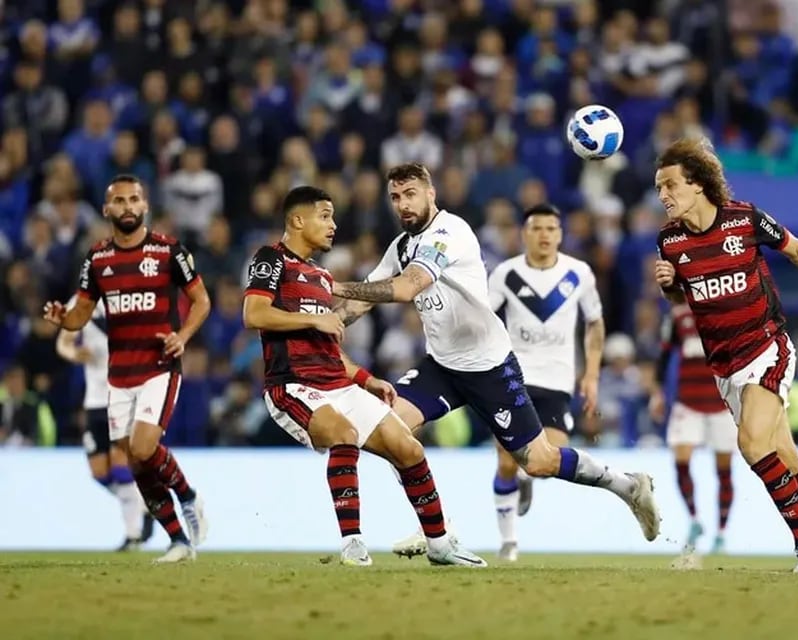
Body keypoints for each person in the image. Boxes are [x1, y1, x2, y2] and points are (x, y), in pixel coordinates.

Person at [328, 163, 660, 558]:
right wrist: (322, 318)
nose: (403, 204)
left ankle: (627, 485)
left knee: (539, 462)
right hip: (442, 366)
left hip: (489, 368)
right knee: (389, 428)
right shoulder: (401, 245)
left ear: (431, 194)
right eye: (396, 197)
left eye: (411, 193)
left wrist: (331, 282)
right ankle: (438, 531)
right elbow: (363, 298)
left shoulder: (450, 233)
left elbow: (406, 287)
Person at [652, 139, 798, 573]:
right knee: (785, 460)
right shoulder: (670, 243)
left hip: (767, 347)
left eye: (670, 185)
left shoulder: (744, 219)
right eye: (659, 188)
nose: (663, 195)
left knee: (751, 444)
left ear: (697, 184)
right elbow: (686, 302)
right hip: (725, 366)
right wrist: (668, 287)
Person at [241, 185, 485, 567]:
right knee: (344, 435)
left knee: (408, 449)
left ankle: (439, 544)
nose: (333, 225)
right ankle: (353, 543)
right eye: (325, 215)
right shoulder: (271, 259)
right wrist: (312, 317)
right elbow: (254, 314)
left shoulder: (321, 276)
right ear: (297, 220)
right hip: (293, 385)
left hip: (337, 382)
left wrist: (365, 378)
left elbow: (327, 345)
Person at [43, 174, 210, 564]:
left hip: (159, 367)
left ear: (145, 205)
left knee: (142, 447)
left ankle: (187, 496)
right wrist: (61, 319)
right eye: (119, 201)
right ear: (107, 209)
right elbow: (80, 315)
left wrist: (183, 336)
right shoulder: (98, 259)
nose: (128, 206)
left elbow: (201, 301)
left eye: (134, 199)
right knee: (136, 463)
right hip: (118, 377)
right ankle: (178, 542)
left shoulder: (169, 251)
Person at [479, 203, 606, 562]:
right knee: (506, 461)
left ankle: (526, 481)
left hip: (556, 382)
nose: (545, 235)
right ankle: (509, 544)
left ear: (560, 234)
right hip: (512, 378)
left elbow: (595, 322)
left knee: (549, 463)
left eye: (552, 228)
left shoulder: (578, 274)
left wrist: (592, 374)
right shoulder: (506, 274)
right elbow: (485, 318)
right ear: (524, 233)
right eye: (537, 228)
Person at [55, 294, 154, 550]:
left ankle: (133, 535)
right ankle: (143, 504)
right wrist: (74, 353)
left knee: (121, 468)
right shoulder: (79, 302)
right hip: (93, 400)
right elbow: (63, 343)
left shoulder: (128, 297)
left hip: (121, 393)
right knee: (100, 473)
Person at [650, 302, 736, 554]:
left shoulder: (727, 311)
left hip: (721, 405)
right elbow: (664, 355)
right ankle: (695, 519)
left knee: (723, 470)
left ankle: (721, 533)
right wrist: (657, 393)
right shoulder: (678, 316)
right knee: (681, 460)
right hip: (687, 402)